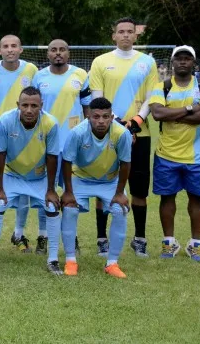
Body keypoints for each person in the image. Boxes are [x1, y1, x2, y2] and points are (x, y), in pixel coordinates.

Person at [89, 17, 158, 258]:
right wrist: (119, 124)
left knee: (139, 189)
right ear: (114, 36)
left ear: (136, 35)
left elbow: (152, 97)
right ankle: (101, 239)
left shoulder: (148, 62)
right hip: (106, 132)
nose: (126, 35)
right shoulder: (100, 62)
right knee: (103, 185)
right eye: (121, 31)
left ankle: (139, 238)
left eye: (130, 31)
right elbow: (97, 99)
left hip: (142, 132)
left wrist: (135, 123)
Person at [0, 87, 62, 275]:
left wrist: (51, 189)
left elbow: (52, 158)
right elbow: (0, 154)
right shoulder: (6, 121)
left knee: (51, 207)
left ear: (41, 106)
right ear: (18, 105)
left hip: (38, 178)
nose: (29, 110)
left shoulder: (50, 123)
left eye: (34, 105)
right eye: (24, 105)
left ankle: (53, 259)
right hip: (12, 175)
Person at [149, 45, 200, 262]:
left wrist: (174, 115)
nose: (183, 62)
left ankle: (195, 244)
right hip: (166, 154)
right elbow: (158, 113)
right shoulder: (163, 87)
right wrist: (189, 109)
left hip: (197, 157)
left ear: (194, 63)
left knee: (196, 199)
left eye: (188, 59)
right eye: (179, 58)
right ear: (172, 62)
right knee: (167, 198)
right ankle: (169, 242)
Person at [0, 34, 39, 253]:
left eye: (14, 46)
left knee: (22, 189)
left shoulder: (31, 70)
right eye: (6, 46)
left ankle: (19, 233)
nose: (10, 49)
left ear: (21, 49)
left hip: (24, 138)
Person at [60, 97, 132, 278]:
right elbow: (67, 162)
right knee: (69, 209)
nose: (101, 121)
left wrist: (119, 193)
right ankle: (70, 260)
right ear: (88, 116)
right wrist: (68, 192)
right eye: (96, 117)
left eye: (106, 117)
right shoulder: (77, 133)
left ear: (111, 116)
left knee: (119, 210)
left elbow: (125, 164)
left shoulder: (122, 133)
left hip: (110, 181)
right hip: (81, 178)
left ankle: (112, 263)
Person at [32, 39, 90, 254]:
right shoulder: (39, 77)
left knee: (70, 191)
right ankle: (43, 235)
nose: (58, 53)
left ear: (69, 53)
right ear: (47, 54)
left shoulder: (81, 75)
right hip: (45, 145)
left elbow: (88, 111)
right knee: (45, 191)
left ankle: (71, 236)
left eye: (62, 50)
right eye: (53, 50)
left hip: (72, 144)